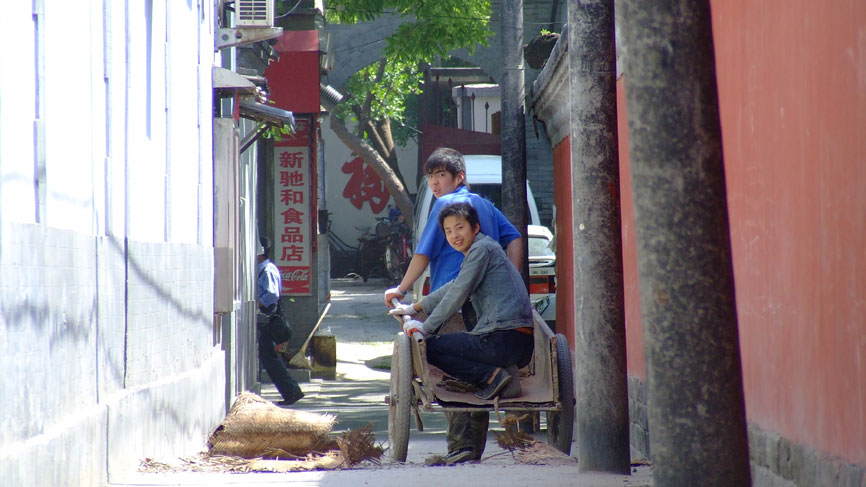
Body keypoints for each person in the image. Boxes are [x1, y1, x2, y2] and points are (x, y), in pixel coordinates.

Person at [384, 148, 524, 465]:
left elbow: (423, 254)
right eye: (430, 177)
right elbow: (514, 238)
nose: (434, 184)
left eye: (440, 176)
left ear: (458, 177)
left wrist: (402, 290)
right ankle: (473, 448)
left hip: (453, 304)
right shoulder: (485, 206)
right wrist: (512, 279)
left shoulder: (446, 207)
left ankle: (460, 446)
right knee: (477, 371)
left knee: (447, 368)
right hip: (484, 308)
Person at [257, 237, 304, 406]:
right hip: (264, 319)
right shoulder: (262, 268)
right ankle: (291, 391)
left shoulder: (267, 270)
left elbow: (271, 295)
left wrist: (256, 303)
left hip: (266, 319)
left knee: (268, 357)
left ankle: (291, 391)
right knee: (267, 357)